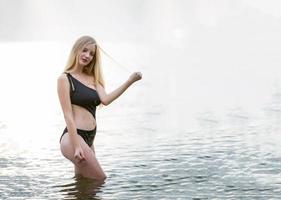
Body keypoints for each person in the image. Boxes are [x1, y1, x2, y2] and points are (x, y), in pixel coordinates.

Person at [57, 35, 142, 180]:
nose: (87, 56)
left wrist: (130, 81)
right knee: (100, 180)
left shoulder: (93, 78)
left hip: (89, 139)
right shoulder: (65, 79)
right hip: (73, 138)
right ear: (76, 50)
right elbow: (68, 116)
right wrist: (76, 146)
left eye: (91, 54)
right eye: (84, 50)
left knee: (83, 184)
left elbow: (106, 99)